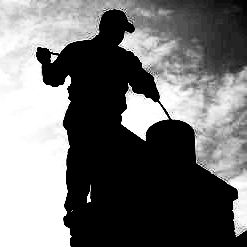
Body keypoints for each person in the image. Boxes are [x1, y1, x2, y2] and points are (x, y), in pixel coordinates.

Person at [36, 9, 161, 244]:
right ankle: (83, 210)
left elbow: (53, 77)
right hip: (96, 119)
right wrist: (46, 63)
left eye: (122, 32)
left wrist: (46, 63)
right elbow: (53, 78)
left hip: (97, 120)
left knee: (90, 163)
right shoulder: (119, 58)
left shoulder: (82, 51)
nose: (121, 35)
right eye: (119, 30)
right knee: (90, 162)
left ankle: (84, 209)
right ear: (107, 27)